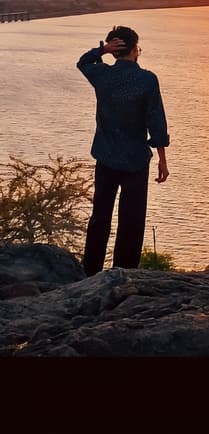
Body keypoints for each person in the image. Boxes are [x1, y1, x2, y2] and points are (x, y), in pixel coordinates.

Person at [77, 25, 170, 276]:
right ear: (134, 50)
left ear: (115, 51)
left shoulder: (102, 75)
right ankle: (124, 273)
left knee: (100, 218)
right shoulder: (147, 79)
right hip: (136, 161)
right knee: (132, 221)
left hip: (106, 158)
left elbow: (82, 62)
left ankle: (91, 272)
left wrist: (102, 50)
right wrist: (162, 159)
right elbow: (156, 120)